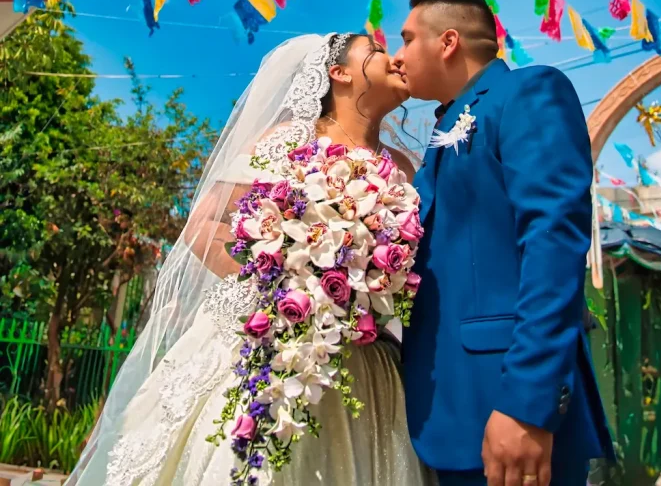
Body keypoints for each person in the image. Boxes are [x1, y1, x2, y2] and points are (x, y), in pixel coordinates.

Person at [67, 33, 437, 486]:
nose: (395, 58)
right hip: (270, 346)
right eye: (377, 52)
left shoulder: (404, 166)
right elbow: (204, 225)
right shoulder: (290, 139)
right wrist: (287, 288)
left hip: (364, 361)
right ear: (339, 73)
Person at [394, 0, 614, 486]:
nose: (399, 55)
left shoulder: (528, 93)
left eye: (407, 39)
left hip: (508, 412)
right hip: (445, 414)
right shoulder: (440, 132)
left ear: (447, 42)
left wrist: (527, 405)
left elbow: (553, 240)